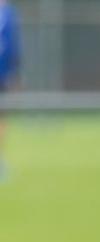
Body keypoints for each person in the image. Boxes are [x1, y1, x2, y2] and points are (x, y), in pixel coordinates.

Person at [0, 0, 20, 182]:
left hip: (2, 74)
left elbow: (13, 45)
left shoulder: (9, 13)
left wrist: (13, 74)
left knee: (2, 118)